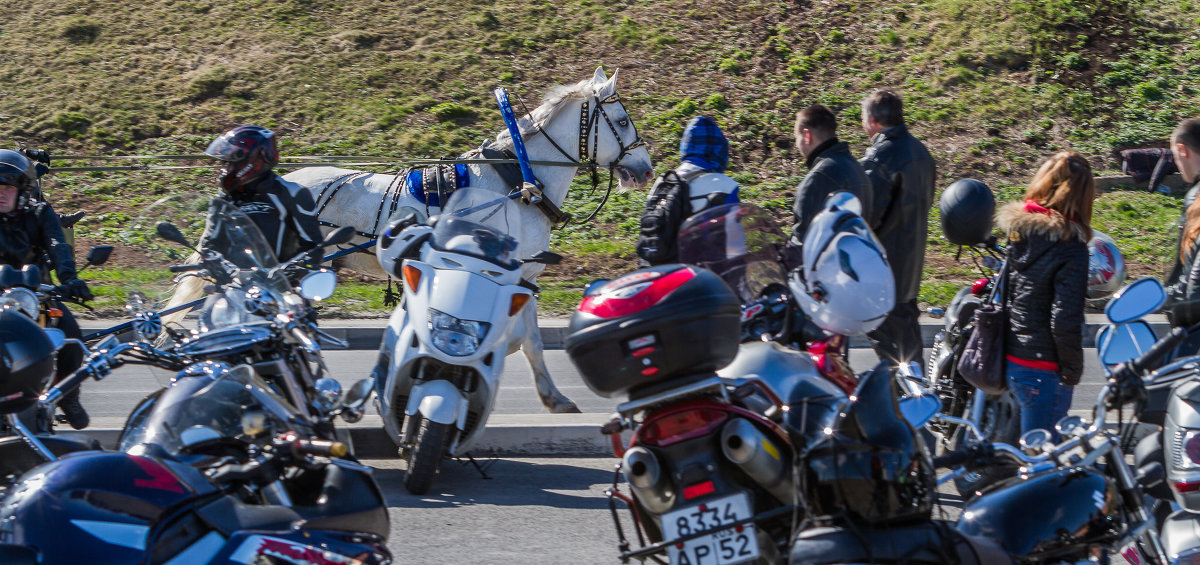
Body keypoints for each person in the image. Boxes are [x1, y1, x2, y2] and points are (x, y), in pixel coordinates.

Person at [997, 151, 1092, 436]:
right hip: (1045, 369)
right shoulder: (1071, 247)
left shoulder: (1019, 234)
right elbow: (1064, 318)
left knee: (1016, 456)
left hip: (1014, 361)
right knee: (1041, 464)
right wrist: (1072, 371)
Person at [0, 149, 92, 429]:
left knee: (73, 339)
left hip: (37, 294)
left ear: (22, 190)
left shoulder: (40, 213)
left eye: (7, 187)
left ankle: (68, 396)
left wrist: (69, 277)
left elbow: (57, 244)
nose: (0, 193)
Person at [858, 90, 936, 367]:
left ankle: (902, 403)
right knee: (907, 343)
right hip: (910, 262)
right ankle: (916, 397)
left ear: (873, 120)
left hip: (883, 266)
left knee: (890, 350)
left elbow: (865, 214)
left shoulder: (881, 157)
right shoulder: (921, 152)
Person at [204, 126, 324, 264]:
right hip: (234, 283)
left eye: (231, 162)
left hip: (281, 282)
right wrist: (211, 263)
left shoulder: (292, 193)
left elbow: (312, 247)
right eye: (225, 164)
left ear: (254, 159)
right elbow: (211, 245)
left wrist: (295, 269)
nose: (225, 169)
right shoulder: (224, 198)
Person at [636, 115, 739, 266]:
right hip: (701, 278)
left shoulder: (663, 182)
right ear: (720, 148)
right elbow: (735, 242)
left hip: (656, 273)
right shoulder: (724, 185)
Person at [792, 104, 871, 239]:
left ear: (807, 135)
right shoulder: (856, 167)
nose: (796, 144)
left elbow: (803, 240)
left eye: (796, 137)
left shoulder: (819, 177)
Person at [1167, 118, 1200, 291]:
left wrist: (1165, 297)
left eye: (1174, 157)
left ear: (1182, 150)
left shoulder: (1196, 197)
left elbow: (1192, 286)